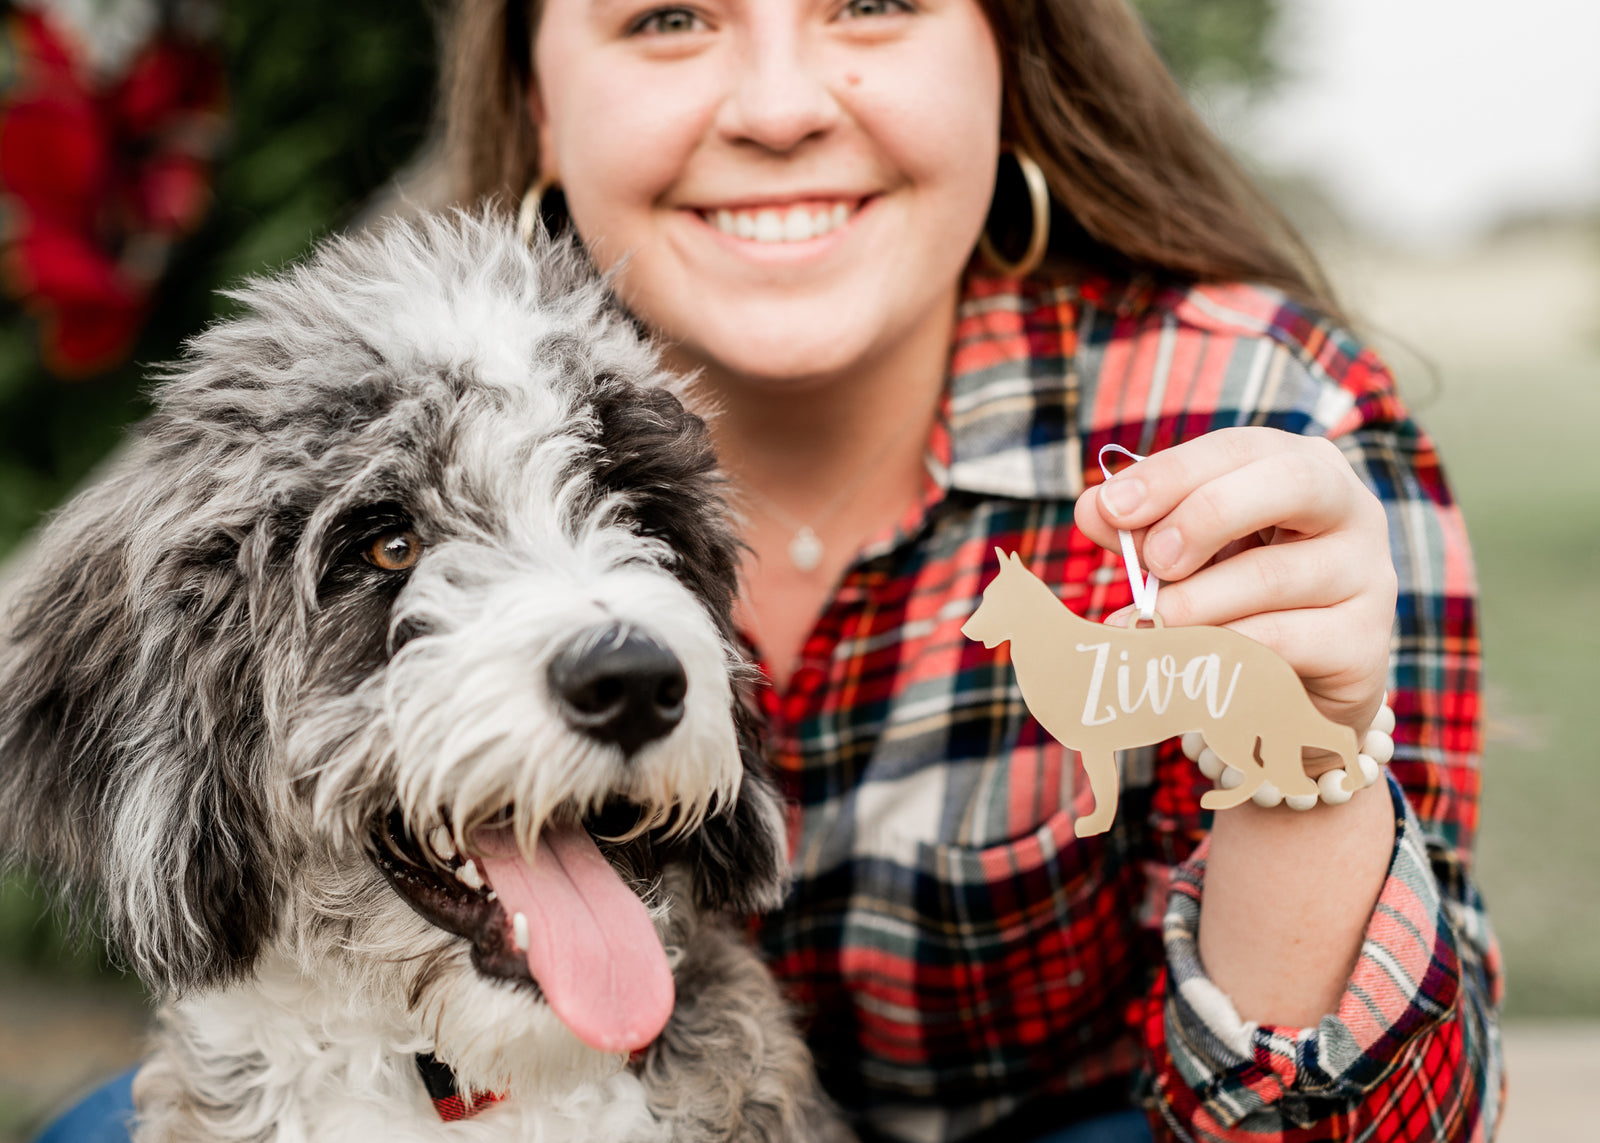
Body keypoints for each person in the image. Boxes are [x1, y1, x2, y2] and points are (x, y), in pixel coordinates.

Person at [36, 1, 1500, 1140]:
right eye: (669, 16)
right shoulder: (302, 400)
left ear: (1010, 51)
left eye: (873, 2)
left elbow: (1386, 1125)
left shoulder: (1246, 426)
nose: (783, 106)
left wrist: (1308, 757)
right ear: (536, 94)